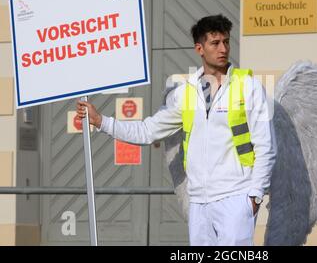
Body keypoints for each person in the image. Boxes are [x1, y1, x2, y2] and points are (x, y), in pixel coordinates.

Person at [76, 14, 277, 246]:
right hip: (199, 203)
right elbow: (148, 130)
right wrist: (101, 121)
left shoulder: (249, 87)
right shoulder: (185, 93)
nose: (223, 48)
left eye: (226, 42)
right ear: (199, 49)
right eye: (215, 43)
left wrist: (254, 196)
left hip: (236, 198)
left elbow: (267, 147)